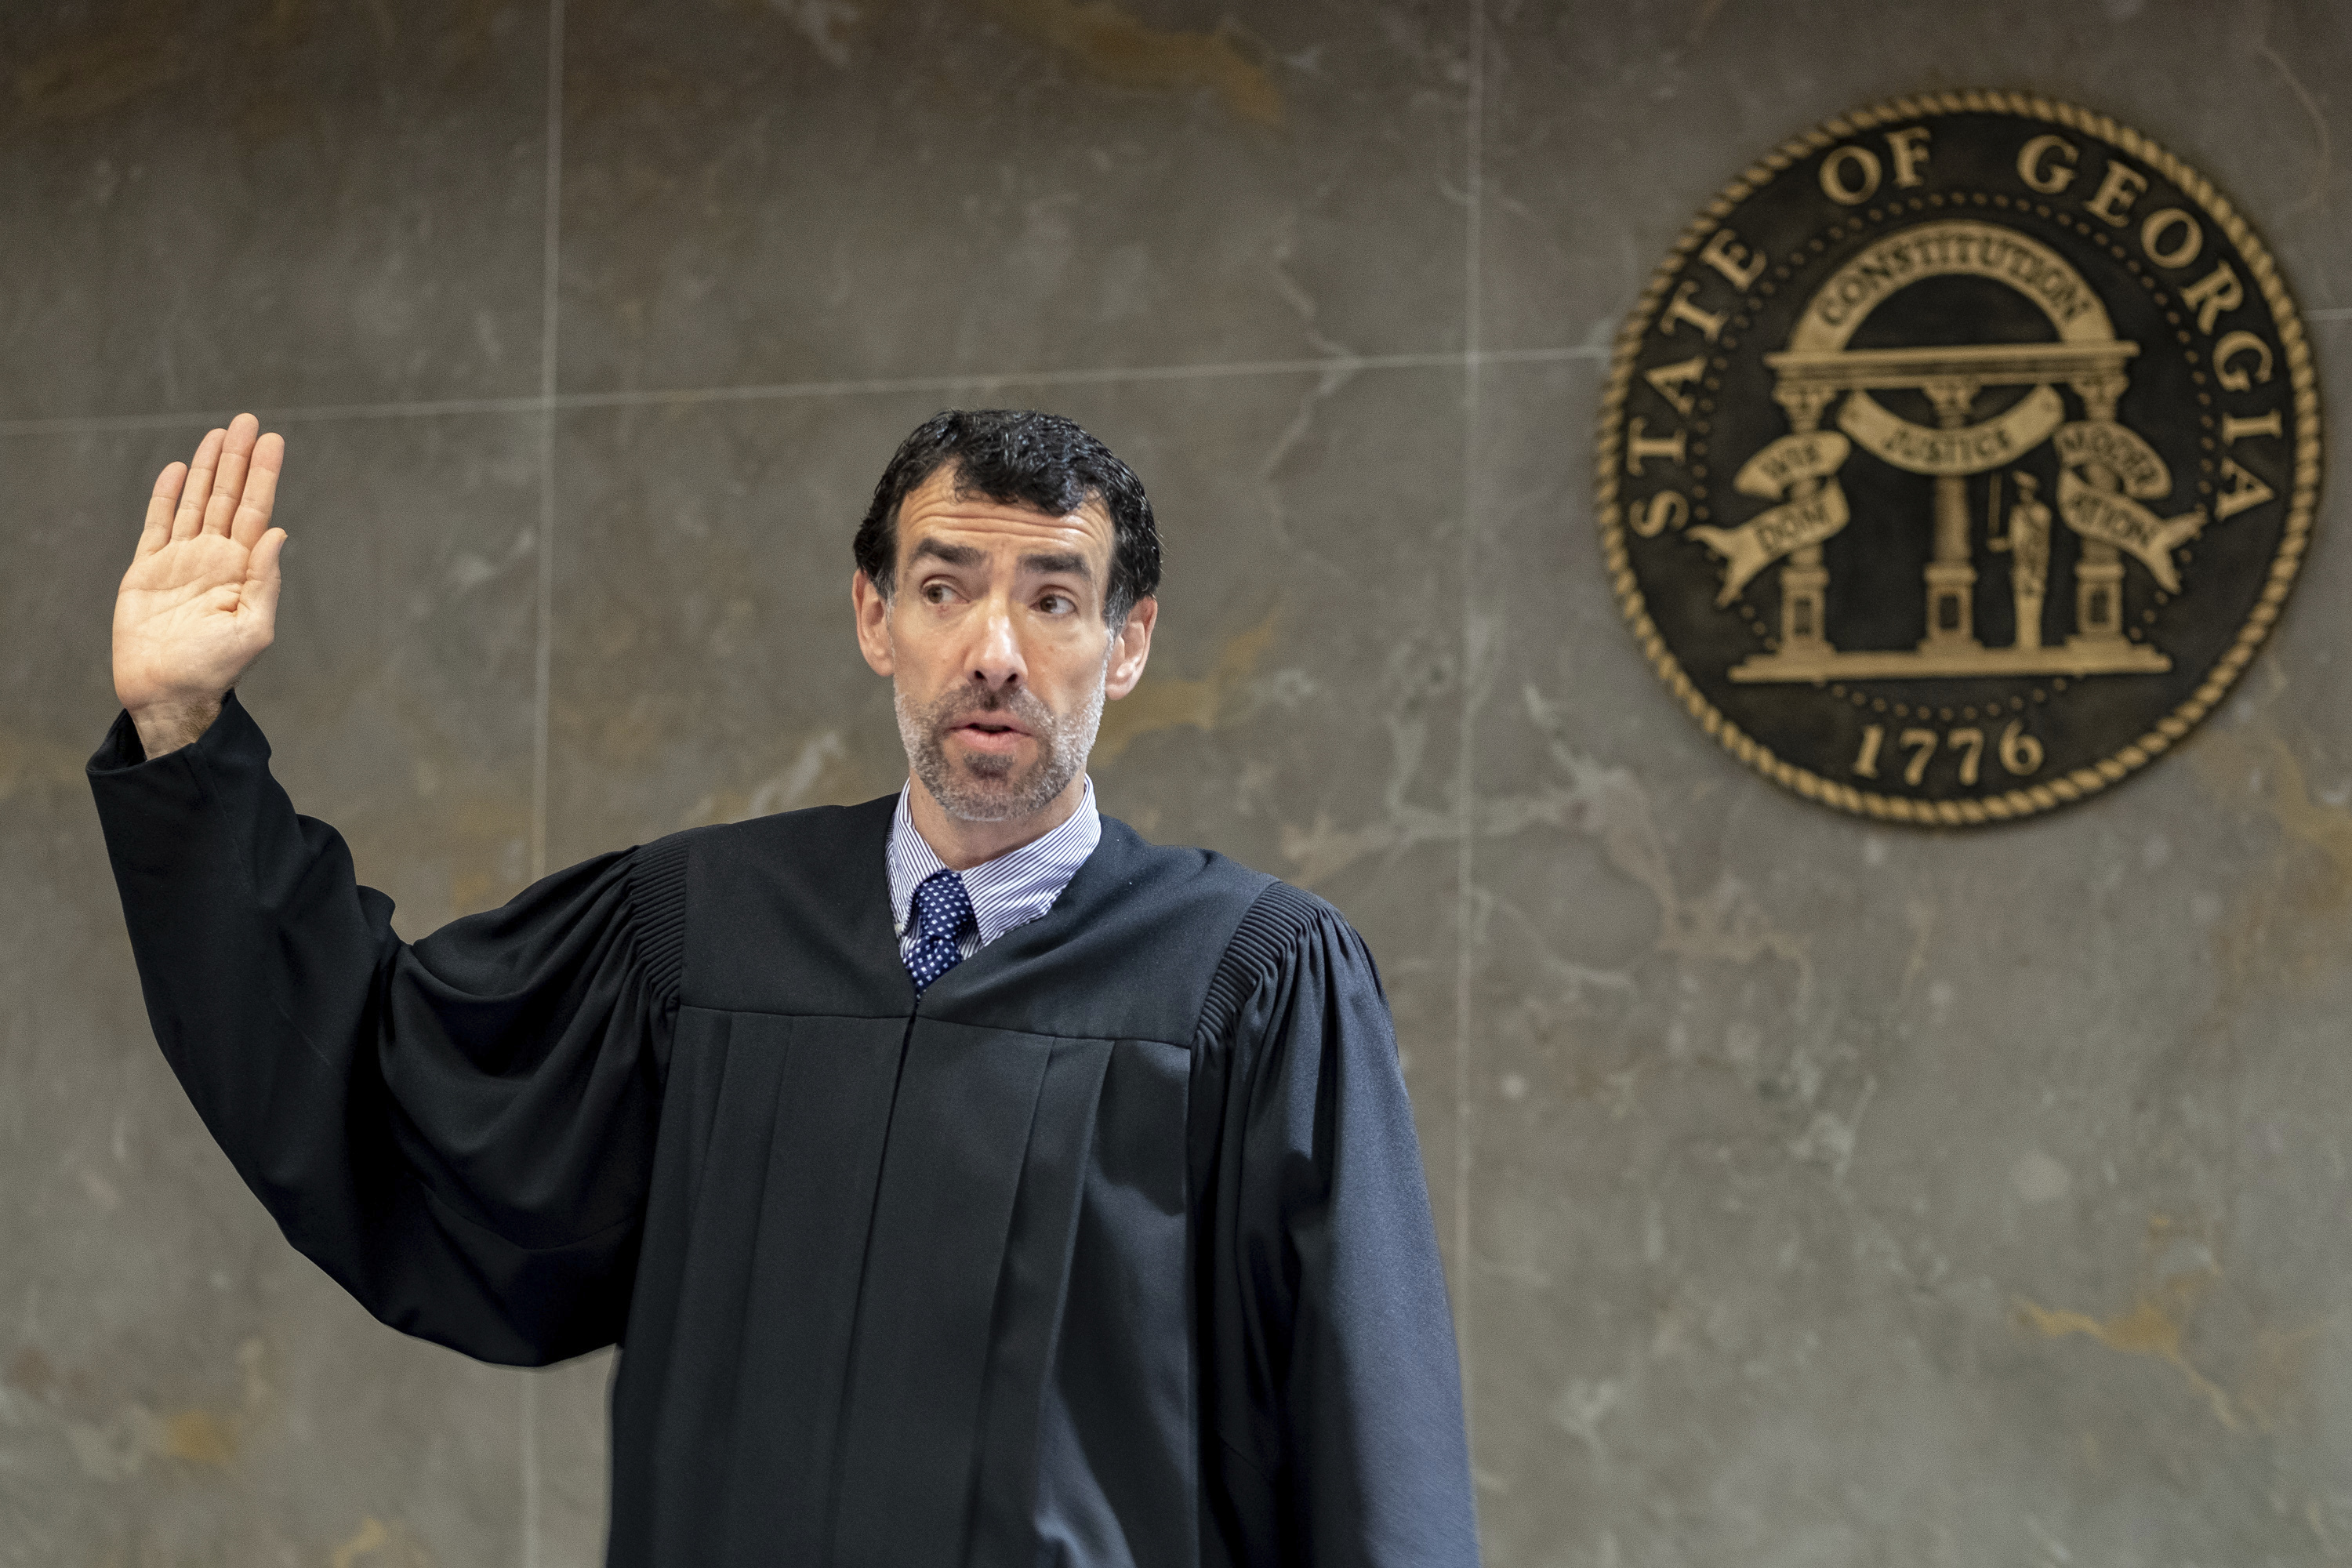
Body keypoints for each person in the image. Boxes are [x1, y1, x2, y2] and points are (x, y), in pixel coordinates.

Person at [89, 408, 1479, 1567]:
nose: (995, 651)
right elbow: (384, 1074)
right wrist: (182, 724)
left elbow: (1373, 1452)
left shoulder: (1249, 986)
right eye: (944, 589)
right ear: (875, 616)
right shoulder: (699, 939)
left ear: (1130, 642)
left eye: (1054, 599)